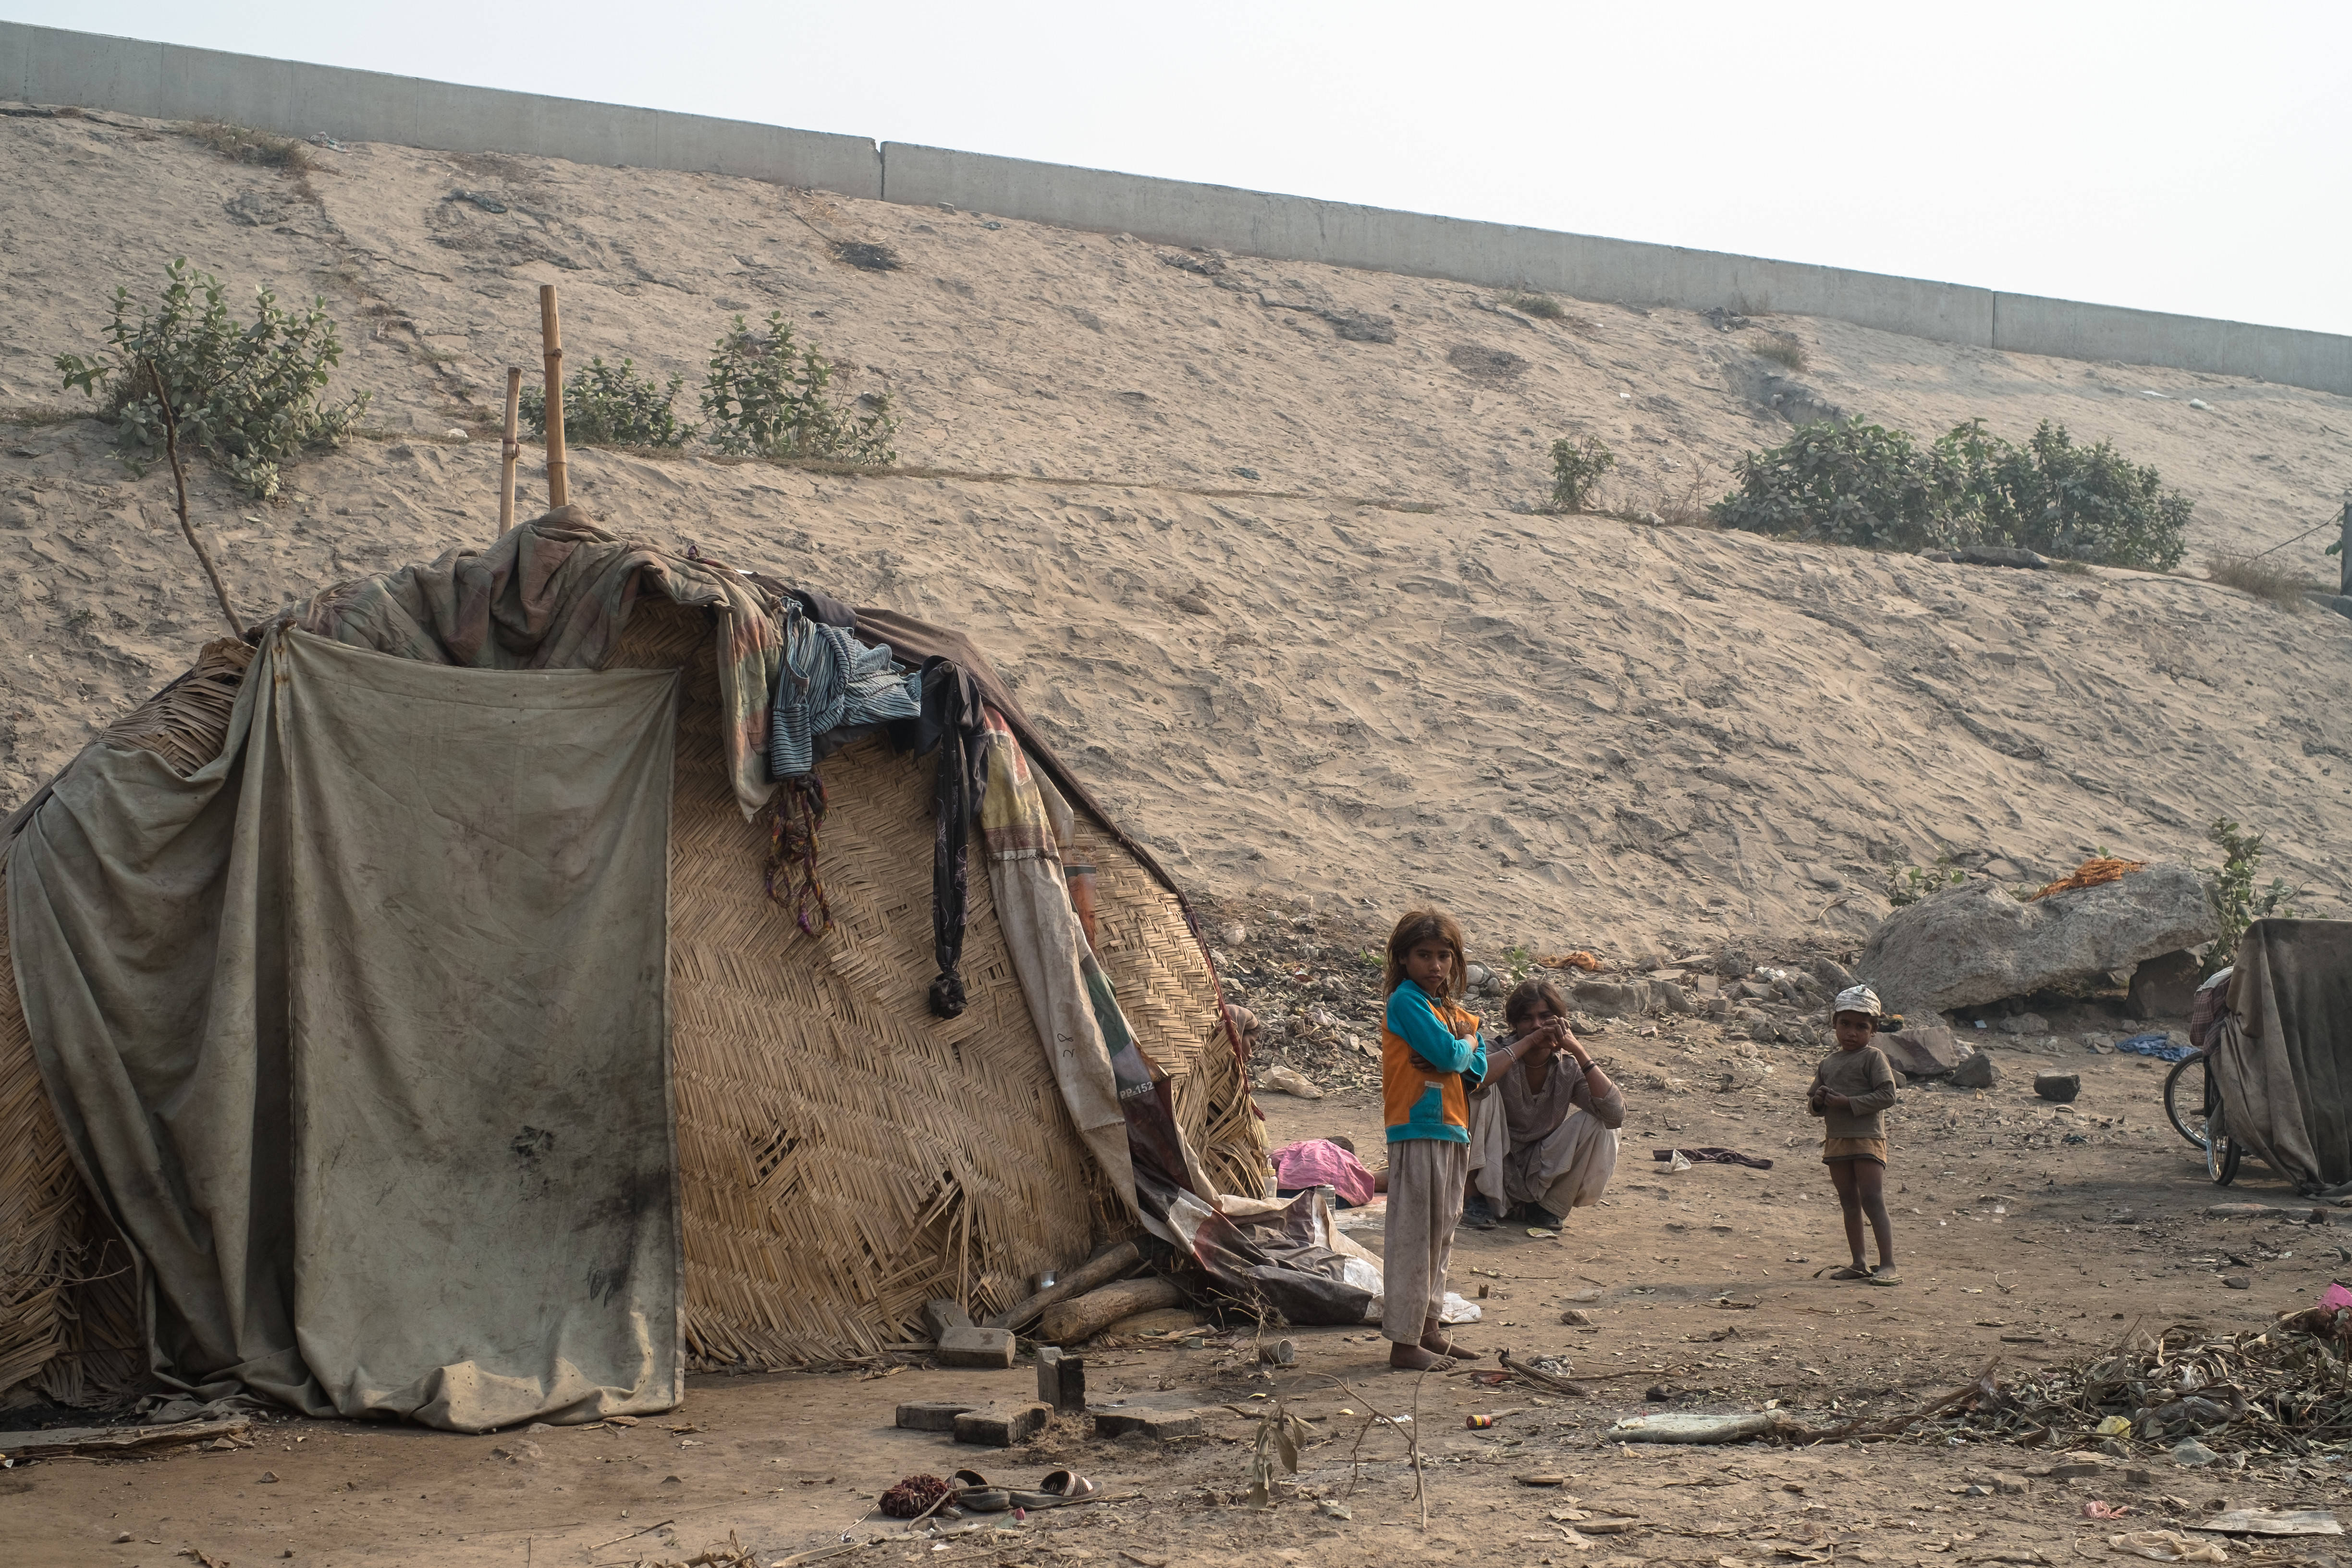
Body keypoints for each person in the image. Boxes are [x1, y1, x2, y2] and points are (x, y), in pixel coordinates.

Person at [1378, 908, 1546, 1371]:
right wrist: (1465, 1042)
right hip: (1418, 1127)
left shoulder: (1445, 1010)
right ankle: (1403, 1342)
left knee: (1442, 1233)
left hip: (1451, 1127)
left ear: (1456, 962)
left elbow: (1472, 1071)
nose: (1435, 966)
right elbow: (1456, 1055)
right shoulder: (1407, 1002)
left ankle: (1428, 1329)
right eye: (1424, 956)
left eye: (1444, 957)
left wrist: (1460, 1048)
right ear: (1404, 960)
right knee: (1416, 1235)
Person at [1465, 979, 1624, 1230]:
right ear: (1515, 1024)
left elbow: (1615, 1114)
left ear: (1561, 1021)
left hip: (1538, 1166)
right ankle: (1471, 1198)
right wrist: (1528, 1042)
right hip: (1491, 1159)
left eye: (1545, 1017)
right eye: (1527, 1019)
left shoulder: (1568, 1067)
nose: (1537, 1025)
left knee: (1602, 1122)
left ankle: (1548, 1207)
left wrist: (1579, 1050)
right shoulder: (1496, 1051)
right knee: (1480, 1090)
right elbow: (1474, 1081)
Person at [1808, 984, 1900, 1286]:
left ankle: (1888, 1265)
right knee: (1849, 1201)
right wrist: (1819, 1101)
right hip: (1837, 1140)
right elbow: (1813, 1106)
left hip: (1867, 1138)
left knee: (1872, 1199)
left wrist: (1849, 1103)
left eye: (1861, 1027)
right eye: (1845, 1024)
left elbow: (1887, 1095)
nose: (1851, 1032)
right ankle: (1859, 1263)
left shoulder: (1873, 1058)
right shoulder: (1828, 1063)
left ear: (1873, 1031)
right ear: (1834, 1024)